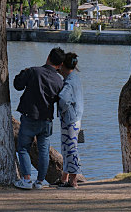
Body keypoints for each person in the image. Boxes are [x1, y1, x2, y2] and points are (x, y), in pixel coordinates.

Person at [13, 47, 65, 190]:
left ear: (48, 57)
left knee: (23, 148)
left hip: (30, 117)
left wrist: (23, 72)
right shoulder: (59, 81)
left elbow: (17, 85)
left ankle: (26, 180)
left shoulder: (33, 71)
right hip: (46, 119)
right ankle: (40, 182)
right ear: (60, 65)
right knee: (43, 151)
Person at [56, 52, 83, 189]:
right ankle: (64, 178)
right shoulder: (75, 78)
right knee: (67, 148)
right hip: (76, 118)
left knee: (70, 149)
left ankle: (73, 181)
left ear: (62, 66)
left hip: (70, 119)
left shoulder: (69, 82)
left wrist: (61, 108)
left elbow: (63, 99)